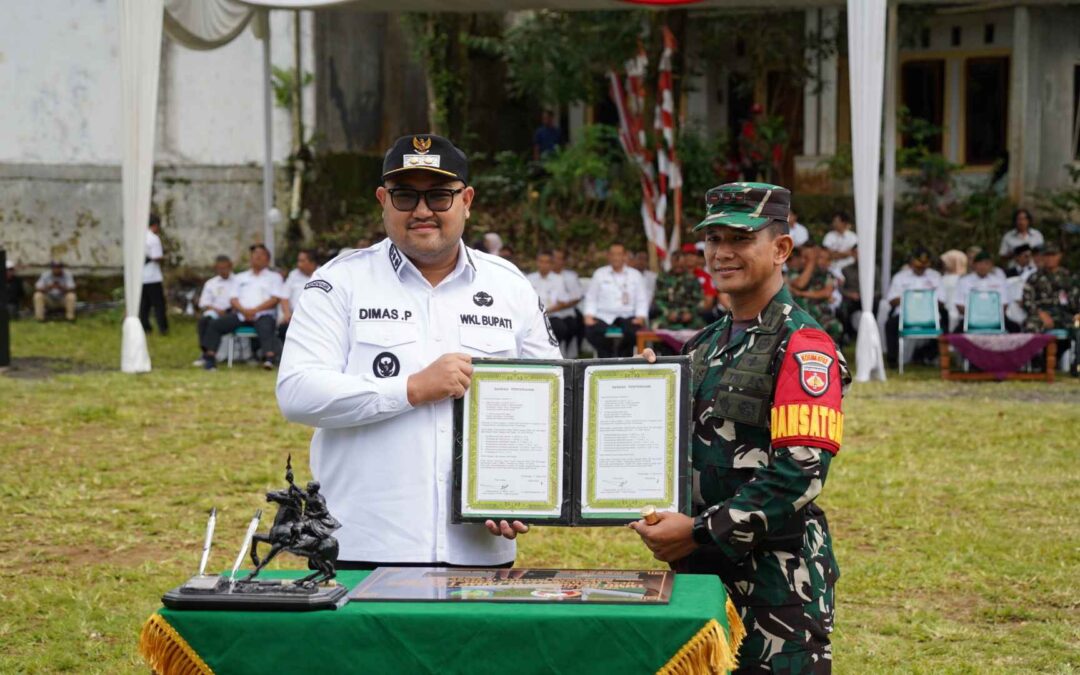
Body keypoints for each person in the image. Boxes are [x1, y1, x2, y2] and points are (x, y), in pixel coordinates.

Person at [276, 134, 561, 570]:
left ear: (466, 200)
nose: (422, 210)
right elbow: (297, 392)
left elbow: (557, 402)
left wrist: (526, 488)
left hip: (478, 550)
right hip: (365, 545)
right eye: (406, 195)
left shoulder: (510, 286)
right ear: (383, 201)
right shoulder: (340, 282)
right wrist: (411, 388)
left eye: (440, 196)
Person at [631, 182, 847, 673]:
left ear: (781, 249)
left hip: (776, 587)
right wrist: (637, 392)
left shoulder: (803, 344)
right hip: (698, 578)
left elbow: (800, 471)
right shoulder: (700, 346)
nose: (722, 253)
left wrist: (701, 532)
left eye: (740, 239)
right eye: (713, 240)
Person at [202, 243, 285, 371]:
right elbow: (233, 298)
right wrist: (244, 310)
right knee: (215, 324)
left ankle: (269, 358)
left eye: (260, 255)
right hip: (242, 314)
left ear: (267, 259)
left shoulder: (274, 278)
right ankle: (210, 358)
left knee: (266, 326)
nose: (256, 257)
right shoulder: (240, 277)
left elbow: (275, 299)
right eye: (254, 255)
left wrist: (255, 310)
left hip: (263, 314)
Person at [583, 243, 649, 357]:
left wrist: (641, 316)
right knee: (591, 331)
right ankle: (605, 361)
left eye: (619, 254)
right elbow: (591, 298)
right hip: (603, 317)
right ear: (608, 256)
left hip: (628, 316)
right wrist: (588, 315)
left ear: (625, 256)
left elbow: (642, 299)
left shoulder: (635, 275)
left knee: (633, 332)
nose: (615, 257)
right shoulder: (599, 274)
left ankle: (624, 360)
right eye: (612, 254)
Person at [884, 247, 946, 367]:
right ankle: (893, 359)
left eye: (924, 264)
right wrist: (911, 301)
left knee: (946, 328)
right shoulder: (900, 277)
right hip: (905, 315)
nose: (921, 267)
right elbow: (892, 300)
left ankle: (924, 355)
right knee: (890, 325)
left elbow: (942, 301)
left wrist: (922, 302)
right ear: (911, 261)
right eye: (918, 264)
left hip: (929, 317)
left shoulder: (935, 276)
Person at [788, 243, 844, 345]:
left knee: (836, 327)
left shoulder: (826, 274)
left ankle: (830, 352)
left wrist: (802, 293)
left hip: (821, 314)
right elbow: (800, 284)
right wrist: (811, 263)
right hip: (800, 315)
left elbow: (826, 293)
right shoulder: (795, 271)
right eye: (806, 257)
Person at [1022, 243, 1078, 334]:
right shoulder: (1034, 278)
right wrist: (1040, 313)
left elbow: (1076, 300)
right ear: (1042, 257)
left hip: (1065, 314)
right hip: (1042, 314)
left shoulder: (1069, 277)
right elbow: (1027, 301)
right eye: (1047, 255)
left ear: (1059, 256)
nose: (1050, 259)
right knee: (1030, 326)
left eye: (1053, 255)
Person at [194, 255, 237, 367]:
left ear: (231, 267)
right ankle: (205, 352)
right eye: (220, 268)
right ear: (216, 268)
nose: (223, 271)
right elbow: (204, 302)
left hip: (232, 312)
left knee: (216, 324)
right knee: (204, 321)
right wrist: (216, 310)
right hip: (214, 311)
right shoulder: (211, 283)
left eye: (225, 268)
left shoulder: (238, 281)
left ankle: (210, 355)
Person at [956, 251, 1014, 331]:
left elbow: (1004, 304)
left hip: (996, 318)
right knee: (955, 336)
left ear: (991, 265)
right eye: (980, 263)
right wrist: (975, 317)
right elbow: (959, 304)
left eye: (986, 263)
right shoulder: (964, 281)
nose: (983, 266)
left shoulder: (999, 282)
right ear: (974, 265)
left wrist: (991, 318)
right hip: (970, 319)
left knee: (1015, 329)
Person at [527, 250, 575, 347]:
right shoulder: (529, 278)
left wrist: (547, 310)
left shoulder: (558, 279)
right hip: (532, 316)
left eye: (547, 262)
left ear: (552, 264)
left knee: (560, 328)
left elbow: (563, 302)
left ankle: (553, 353)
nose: (544, 265)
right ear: (537, 262)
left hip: (551, 315)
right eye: (541, 261)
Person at [651, 251, 704, 330]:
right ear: (671, 262)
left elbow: (700, 301)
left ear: (684, 263)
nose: (678, 266)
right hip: (667, 316)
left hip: (689, 317)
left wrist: (691, 313)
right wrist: (667, 313)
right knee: (656, 326)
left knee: (703, 329)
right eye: (676, 263)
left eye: (681, 264)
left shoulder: (692, 279)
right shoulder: (662, 278)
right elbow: (657, 300)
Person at [279, 249, 319, 342]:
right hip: (295, 317)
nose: (298, 264)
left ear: (312, 262)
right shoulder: (294, 274)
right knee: (283, 330)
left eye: (301, 261)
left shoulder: (324, 274)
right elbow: (284, 297)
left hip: (317, 318)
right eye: (298, 261)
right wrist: (286, 313)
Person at [140, 214, 169, 335]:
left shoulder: (138, 236)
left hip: (141, 277)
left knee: (144, 305)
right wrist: (164, 257)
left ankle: (145, 327)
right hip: (153, 277)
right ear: (155, 225)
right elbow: (156, 257)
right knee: (159, 304)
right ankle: (163, 328)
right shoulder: (153, 238)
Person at [552, 247, 585, 352]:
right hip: (548, 310)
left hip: (567, 310)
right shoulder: (544, 276)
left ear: (564, 261)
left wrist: (560, 306)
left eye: (559, 258)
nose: (555, 261)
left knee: (574, 324)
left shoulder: (570, 276)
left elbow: (576, 297)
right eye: (553, 258)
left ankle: (570, 352)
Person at [822, 211, 857, 276]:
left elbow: (854, 254)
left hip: (849, 268)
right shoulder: (829, 236)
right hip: (832, 268)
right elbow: (828, 254)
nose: (834, 223)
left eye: (836, 221)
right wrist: (846, 254)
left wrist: (835, 254)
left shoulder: (853, 237)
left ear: (843, 223)